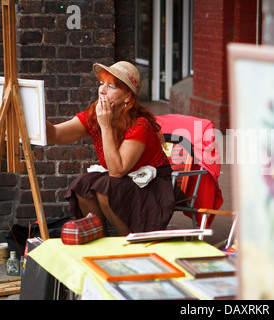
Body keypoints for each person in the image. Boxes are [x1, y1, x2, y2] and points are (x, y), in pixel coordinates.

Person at [46, 61, 182, 236]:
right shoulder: (95, 115)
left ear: (127, 97)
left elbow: (117, 171)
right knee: (83, 185)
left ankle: (126, 240)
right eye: (102, 84)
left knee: (105, 188)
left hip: (151, 185)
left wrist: (106, 126)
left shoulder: (139, 124)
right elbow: (56, 134)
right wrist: (32, 114)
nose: (102, 90)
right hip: (124, 179)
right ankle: (99, 237)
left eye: (112, 87)